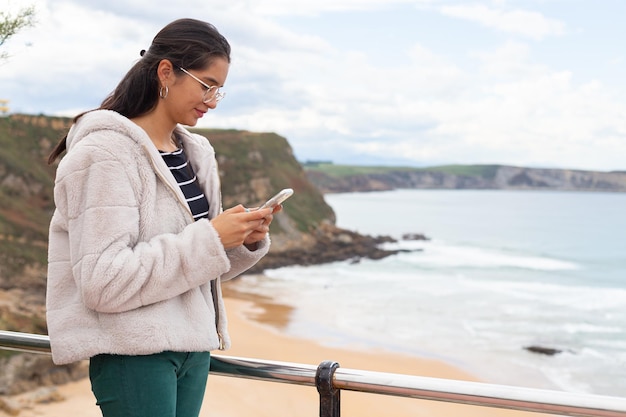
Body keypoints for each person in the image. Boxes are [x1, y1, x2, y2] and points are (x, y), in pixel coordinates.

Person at [45, 18, 279, 417]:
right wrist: (211, 238)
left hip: (192, 349)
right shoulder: (104, 154)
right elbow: (103, 282)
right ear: (166, 72)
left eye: (219, 90)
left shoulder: (195, 153)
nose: (212, 99)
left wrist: (240, 241)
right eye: (206, 85)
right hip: (133, 352)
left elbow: (193, 268)